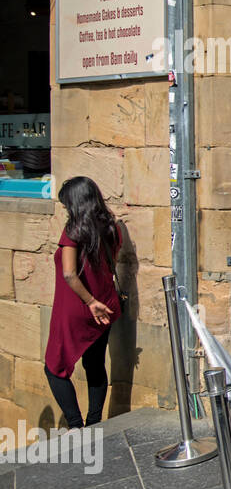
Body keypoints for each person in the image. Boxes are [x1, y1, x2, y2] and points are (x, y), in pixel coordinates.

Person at [44, 177, 124, 428]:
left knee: (54, 367)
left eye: (68, 204)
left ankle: (76, 425)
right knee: (95, 363)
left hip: (79, 307)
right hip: (106, 305)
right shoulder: (111, 227)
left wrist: (89, 301)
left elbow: (69, 273)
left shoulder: (73, 231)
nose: (67, 209)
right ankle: (94, 423)